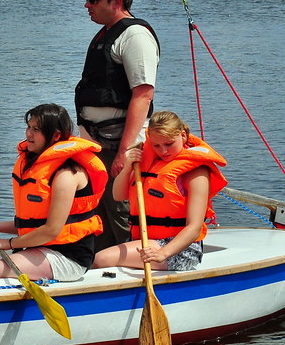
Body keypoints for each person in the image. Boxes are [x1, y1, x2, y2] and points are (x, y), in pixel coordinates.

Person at [0, 103, 108, 282]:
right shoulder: (35, 166)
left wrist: (8, 243)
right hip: (40, 248)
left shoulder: (67, 174)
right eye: (29, 127)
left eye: (36, 130)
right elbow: (33, 223)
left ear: (56, 135)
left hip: (69, 257)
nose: (29, 134)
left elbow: (51, 230)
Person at [75, 0, 160, 250]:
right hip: (96, 145)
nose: (87, 5)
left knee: (121, 213)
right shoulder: (105, 35)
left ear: (117, 1)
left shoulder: (135, 36)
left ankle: (132, 261)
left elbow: (143, 95)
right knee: (97, 214)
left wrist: (124, 152)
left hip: (119, 146)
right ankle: (100, 261)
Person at [93, 111, 227, 272]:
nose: (163, 151)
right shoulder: (148, 161)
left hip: (180, 250)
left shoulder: (196, 172)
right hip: (146, 242)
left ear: (183, 135)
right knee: (98, 258)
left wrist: (163, 253)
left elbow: (194, 227)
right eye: (156, 145)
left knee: (100, 259)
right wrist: (128, 166)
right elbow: (118, 195)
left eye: (169, 144)